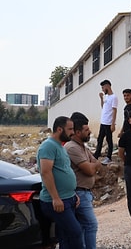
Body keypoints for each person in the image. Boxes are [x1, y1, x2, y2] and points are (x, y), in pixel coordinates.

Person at [36, 116, 84, 248]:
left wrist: (72, 194)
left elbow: (63, 170)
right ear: (59, 129)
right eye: (70, 129)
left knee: (65, 236)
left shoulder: (60, 146)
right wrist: (56, 198)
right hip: (57, 201)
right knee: (76, 232)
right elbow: (46, 172)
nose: (73, 132)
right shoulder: (48, 146)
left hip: (68, 199)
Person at [65, 112, 101, 249]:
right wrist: (94, 166)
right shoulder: (72, 147)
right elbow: (91, 169)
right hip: (79, 193)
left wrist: (94, 165)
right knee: (91, 225)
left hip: (86, 193)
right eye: (86, 130)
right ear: (78, 132)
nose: (90, 132)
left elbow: (96, 163)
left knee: (84, 227)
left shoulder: (82, 147)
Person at [94, 79, 118, 164]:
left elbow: (115, 110)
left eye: (103, 87)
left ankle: (109, 157)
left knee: (109, 140)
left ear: (107, 86)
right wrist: (101, 98)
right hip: (103, 122)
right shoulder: (107, 97)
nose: (102, 89)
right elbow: (103, 107)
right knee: (100, 139)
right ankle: (96, 155)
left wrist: (113, 124)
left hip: (108, 123)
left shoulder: (114, 97)